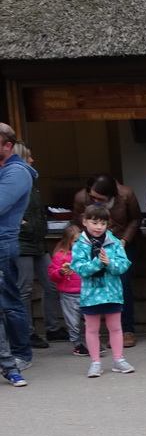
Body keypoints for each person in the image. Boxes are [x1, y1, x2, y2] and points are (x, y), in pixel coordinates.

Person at [72, 174, 142, 347]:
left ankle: (126, 330)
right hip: (92, 243)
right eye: (92, 196)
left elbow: (135, 219)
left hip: (121, 241)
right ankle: (97, 330)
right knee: (92, 280)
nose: (95, 200)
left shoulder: (126, 194)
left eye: (100, 198)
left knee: (122, 283)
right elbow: (77, 223)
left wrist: (123, 241)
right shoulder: (81, 197)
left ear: (111, 194)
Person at [71, 204, 134, 378]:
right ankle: (95, 362)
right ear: (85, 222)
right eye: (94, 222)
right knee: (91, 329)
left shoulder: (114, 242)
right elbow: (79, 268)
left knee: (115, 327)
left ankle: (118, 359)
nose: (99, 227)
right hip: (91, 295)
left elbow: (123, 265)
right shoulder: (79, 244)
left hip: (112, 293)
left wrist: (110, 263)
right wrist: (97, 263)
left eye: (103, 223)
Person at [16, 144, 66, 349]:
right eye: (29, 157)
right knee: (25, 289)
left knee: (52, 284)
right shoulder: (13, 180)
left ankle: (52, 329)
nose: (32, 160)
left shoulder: (31, 181)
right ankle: (27, 333)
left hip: (38, 242)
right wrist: (24, 226)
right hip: (21, 244)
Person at [0, 123, 36, 371]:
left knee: (9, 301)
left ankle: (22, 355)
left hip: (2, 244)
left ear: (8, 145)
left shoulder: (17, 173)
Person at [48, 223, 87, 356]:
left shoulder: (86, 253)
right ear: (68, 241)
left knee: (91, 320)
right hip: (68, 294)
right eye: (76, 241)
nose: (79, 243)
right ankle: (77, 344)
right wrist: (60, 272)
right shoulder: (60, 256)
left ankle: (92, 342)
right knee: (73, 322)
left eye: (81, 240)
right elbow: (52, 275)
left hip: (86, 293)